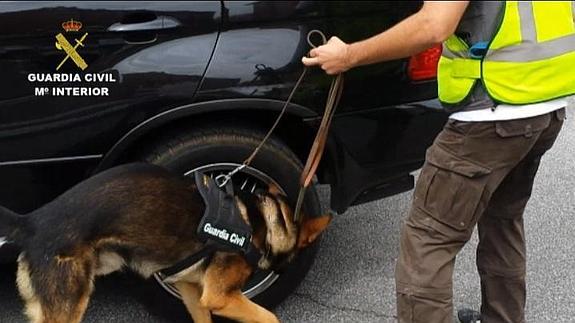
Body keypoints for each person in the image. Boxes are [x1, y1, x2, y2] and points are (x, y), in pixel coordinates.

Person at [302, 1, 574, 322]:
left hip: (491, 111)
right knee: (503, 221)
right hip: (544, 103)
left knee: (428, 239)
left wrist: (349, 55)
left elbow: (434, 25)